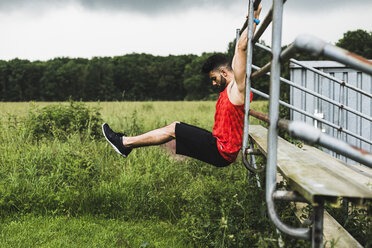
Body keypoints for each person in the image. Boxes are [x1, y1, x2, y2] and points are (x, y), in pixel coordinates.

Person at [102, 5, 262, 167]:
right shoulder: (230, 85)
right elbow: (238, 49)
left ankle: (124, 143)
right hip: (217, 144)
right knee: (175, 126)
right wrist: (253, 15)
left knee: (174, 128)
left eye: (214, 78)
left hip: (221, 151)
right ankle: (125, 143)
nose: (213, 83)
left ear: (224, 72)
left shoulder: (238, 89)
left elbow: (242, 48)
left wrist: (255, 20)